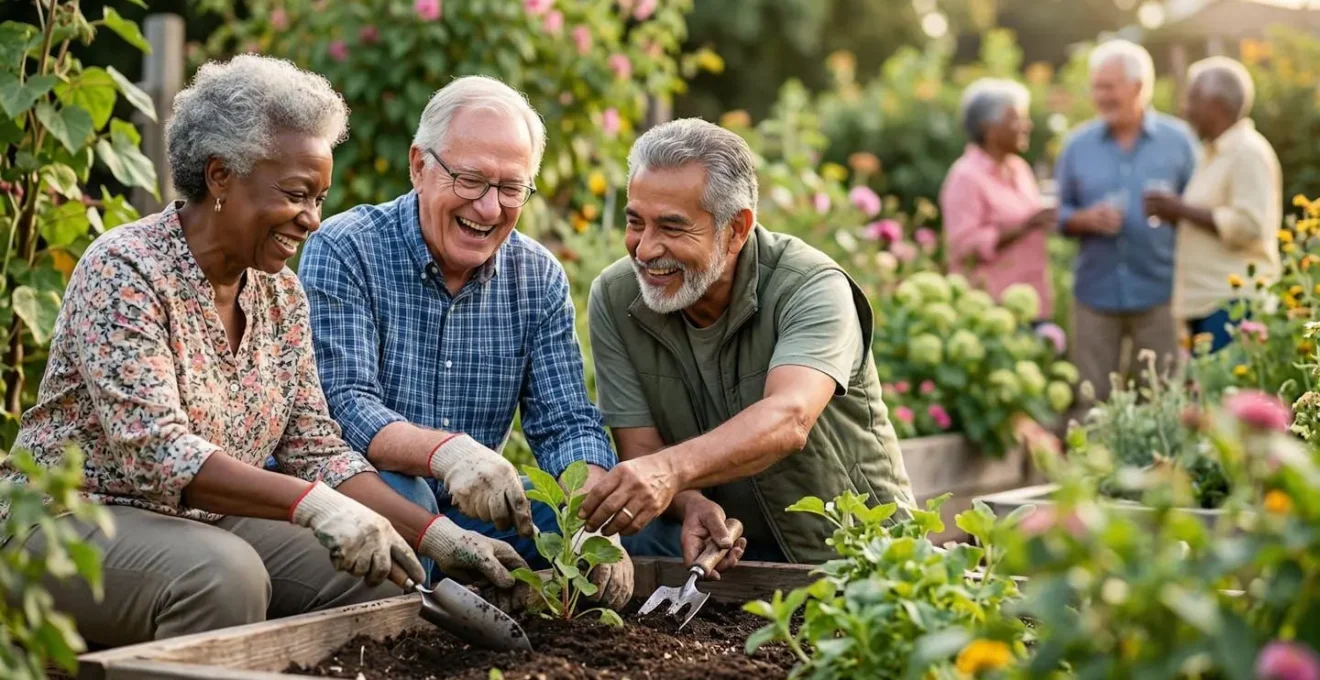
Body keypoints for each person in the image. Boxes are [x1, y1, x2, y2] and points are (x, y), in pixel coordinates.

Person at [0, 55, 524, 648]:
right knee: (223, 577)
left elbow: (315, 448)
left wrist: (436, 537)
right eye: (298, 194)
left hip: (196, 522)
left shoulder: (280, 296)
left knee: (379, 575)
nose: (313, 220)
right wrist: (311, 505)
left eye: (321, 198)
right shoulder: (126, 270)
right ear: (221, 175)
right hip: (68, 518)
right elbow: (158, 454)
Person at [299, 76, 632, 608]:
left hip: (476, 510)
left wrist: (590, 512)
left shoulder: (537, 276)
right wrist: (445, 453)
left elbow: (566, 419)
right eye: (471, 180)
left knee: (593, 525)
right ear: (418, 167)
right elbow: (344, 405)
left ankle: (499, 603)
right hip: (371, 490)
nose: (489, 208)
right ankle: (432, 613)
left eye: (510, 189)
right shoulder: (347, 249)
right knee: (400, 496)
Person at [578, 118, 916, 567]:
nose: (644, 249)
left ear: (736, 229)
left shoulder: (811, 286)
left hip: (849, 550)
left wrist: (671, 471)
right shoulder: (617, 295)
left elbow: (789, 418)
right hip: (730, 553)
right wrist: (690, 502)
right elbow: (642, 450)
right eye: (636, 222)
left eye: (672, 228)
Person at [1054, 39, 1198, 403]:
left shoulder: (1179, 142)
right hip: (1095, 294)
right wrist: (1082, 219)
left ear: (1138, 87)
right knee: (1091, 401)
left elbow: (1198, 208)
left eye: (1108, 86)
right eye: (1096, 87)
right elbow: (1059, 212)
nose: (1099, 96)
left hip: (1160, 293)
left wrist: (1176, 208)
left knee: (1162, 400)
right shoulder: (1077, 145)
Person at [1144, 56, 1281, 353]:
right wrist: (1176, 213)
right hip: (1206, 304)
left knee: (1225, 396)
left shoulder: (1247, 152)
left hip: (1233, 307)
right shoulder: (1213, 153)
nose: (1185, 108)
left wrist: (1180, 209)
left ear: (1217, 105)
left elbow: (1251, 225)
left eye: (1192, 98)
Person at [941, 78, 1056, 321]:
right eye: (1017, 118)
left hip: (1032, 302)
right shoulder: (965, 177)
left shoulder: (1019, 168)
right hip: (992, 310)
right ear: (988, 128)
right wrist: (1026, 224)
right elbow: (963, 246)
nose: (1027, 125)